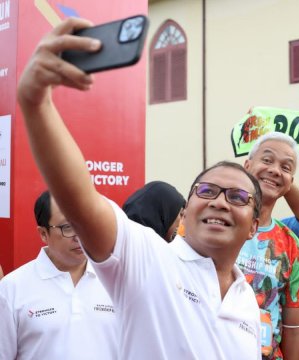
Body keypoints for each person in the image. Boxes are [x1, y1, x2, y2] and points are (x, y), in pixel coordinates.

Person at [16, 18, 262, 358]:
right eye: (206, 191)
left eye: (237, 197)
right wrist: (36, 103)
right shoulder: (147, 258)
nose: (219, 202)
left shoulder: (246, 299)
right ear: (185, 211)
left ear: (254, 225)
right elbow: (82, 201)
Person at [0, 191, 117, 359]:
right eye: (67, 227)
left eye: (84, 224)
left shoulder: (114, 281)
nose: (79, 236)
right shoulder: (12, 289)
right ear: (43, 233)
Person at [241, 132, 299, 360]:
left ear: (290, 182)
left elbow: (294, 327)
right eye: (267, 160)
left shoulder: (292, 245)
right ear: (247, 165)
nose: (275, 170)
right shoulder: (215, 223)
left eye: (286, 167)